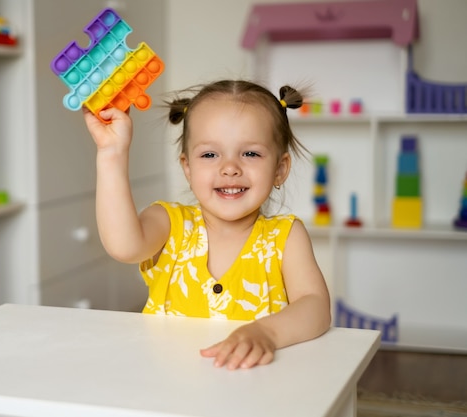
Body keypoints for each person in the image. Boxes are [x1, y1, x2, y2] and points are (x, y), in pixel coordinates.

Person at [83, 79, 331, 370]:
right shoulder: (169, 223)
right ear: (187, 167)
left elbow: (316, 306)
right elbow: (123, 246)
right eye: (210, 155)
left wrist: (266, 332)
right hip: (169, 388)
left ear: (280, 169)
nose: (229, 167)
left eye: (250, 153)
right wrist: (112, 153)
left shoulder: (286, 236)